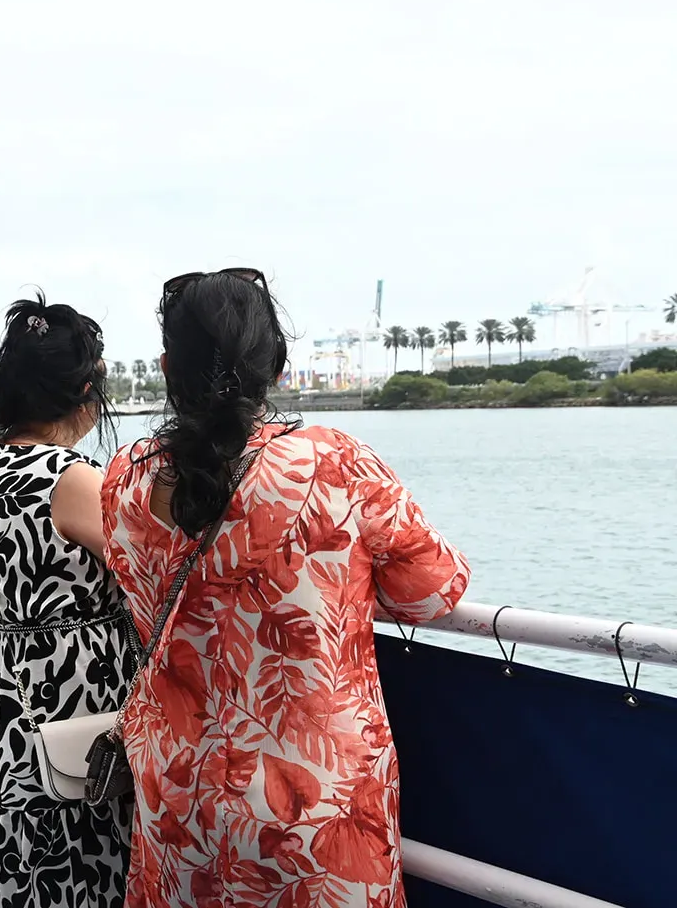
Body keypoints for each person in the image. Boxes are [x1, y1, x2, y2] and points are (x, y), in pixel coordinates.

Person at [100, 268, 472, 908]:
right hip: (316, 808)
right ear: (276, 364)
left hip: (177, 795)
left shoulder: (124, 478)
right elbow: (433, 592)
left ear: (167, 368)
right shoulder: (335, 463)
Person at [0, 295, 133, 908]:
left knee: (3, 854)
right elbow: (155, 566)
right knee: (73, 857)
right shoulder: (73, 479)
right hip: (69, 701)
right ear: (87, 392)